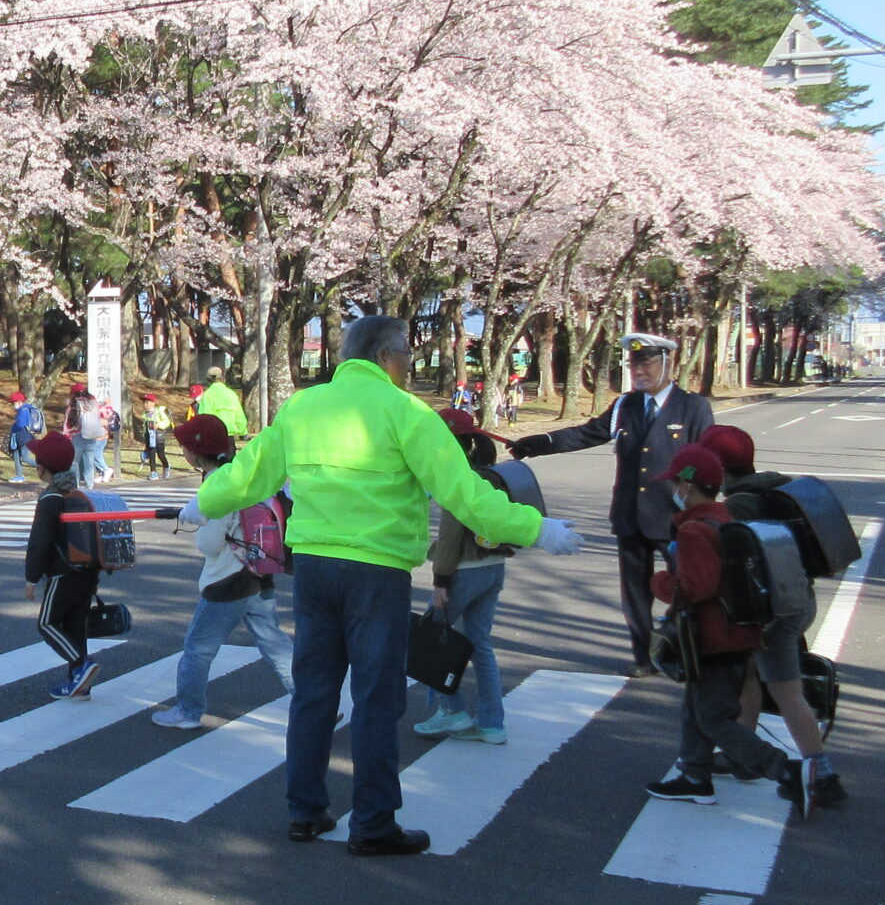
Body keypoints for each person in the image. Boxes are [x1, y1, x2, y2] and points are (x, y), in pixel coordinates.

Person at [188, 315, 581, 856]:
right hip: (377, 573)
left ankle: (304, 811)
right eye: (405, 357)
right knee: (376, 697)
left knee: (314, 691)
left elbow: (251, 471)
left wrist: (204, 501)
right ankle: (372, 822)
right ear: (387, 356)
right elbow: (464, 494)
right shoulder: (407, 412)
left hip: (315, 569)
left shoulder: (303, 407)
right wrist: (537, 529)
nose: (407, 366)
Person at [509, 332, 714, 677]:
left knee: (689, 586)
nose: (638, 370)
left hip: (674, 516)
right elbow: (586, 434)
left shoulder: (692, 407)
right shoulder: (626, 405)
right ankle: (642, 656)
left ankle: (686, 648)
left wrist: (692, 495)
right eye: (634, 363)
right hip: (630, 514)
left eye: (646, 362)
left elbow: (705, 457)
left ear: (668, 362)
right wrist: (540, 443)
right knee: (634, 591)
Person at [641, 446, 801, 806]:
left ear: (687, 486)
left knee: (714, 718)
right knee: (695, 708)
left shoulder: (695, 531)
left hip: (712, 639)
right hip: (737, 634)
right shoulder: (725, 519)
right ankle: (694, 775)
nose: (673, 492)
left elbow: (696, 587)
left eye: (676, 484)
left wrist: (660, 583)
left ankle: (785, 770)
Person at [700, 423, 838, 801]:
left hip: (773, 612)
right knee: (747, 676)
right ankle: (744, 756)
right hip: (795, 599)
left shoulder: (740, 505)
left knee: (786, 690)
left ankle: (823, 774)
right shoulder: (776, 489)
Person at [153, 413, 292, 728]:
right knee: (275, 643)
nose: (184, 451)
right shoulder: (245, 475)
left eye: (186, 446)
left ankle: (188, 711)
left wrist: (196, 519)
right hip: (261, 570)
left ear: (196, 452)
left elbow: (209, 543)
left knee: (197, 649)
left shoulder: (217, 485)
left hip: (228, 581)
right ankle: (312, 702)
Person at [413, 409, 521, 746]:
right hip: (493, 568)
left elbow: (449, 536)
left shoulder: (458, 477)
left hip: (463, 571)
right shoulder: (490, 474)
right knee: (481, 645)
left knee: (431, 640)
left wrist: (440, 581)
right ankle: (492, 724)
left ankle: (452, 710)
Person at [23, 432, 105, 699]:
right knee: (74, 625)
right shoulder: (75, 494)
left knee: (47, 623)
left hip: (61, 573)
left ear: (45, 467)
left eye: (38, 461)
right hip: (87, 572)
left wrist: (31, 577)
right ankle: (79, 683)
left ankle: (81, 666)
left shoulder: (50, 499)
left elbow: (39, 541)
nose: (36, 465)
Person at [195, 365, 250, 442]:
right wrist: (243, 433)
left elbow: (204, 417)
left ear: (208, 380)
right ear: (222, 378)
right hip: (229, 437)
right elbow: (239, 415)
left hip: (213, 437)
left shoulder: (207, 395)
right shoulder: (231, 394)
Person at [5, 388, 41, 482]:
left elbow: (21, 424)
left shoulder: (24, 410)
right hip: (20, 437)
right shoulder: (23, 409)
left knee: (25, 458)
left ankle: (45, 467)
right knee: (16, 455)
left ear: (19, 402)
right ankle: (19, 475)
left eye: (14, 403)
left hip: (24, 437)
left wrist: (13, 427)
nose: (13, 405)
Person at [139, 393, 172, 477]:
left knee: (160, 454)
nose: (145, 404)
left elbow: (167, 422)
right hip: (150, 437)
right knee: (151, 454)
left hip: (158, 436)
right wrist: (145, 438)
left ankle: (166, 466)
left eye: (148, 402)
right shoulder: (145, 413)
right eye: (144, 402)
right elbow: (145, 426)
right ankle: (153, 472)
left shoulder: (159, 412)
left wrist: (158, 425)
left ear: (154, 403)